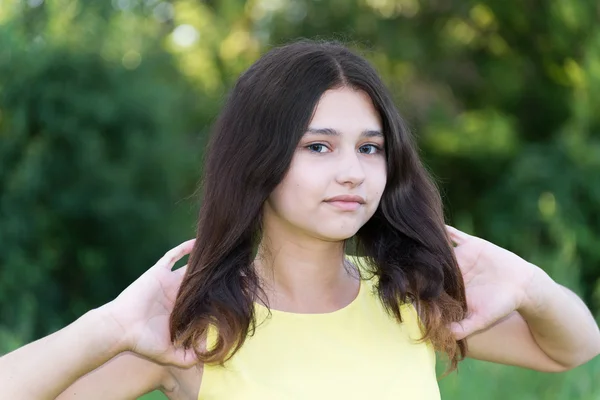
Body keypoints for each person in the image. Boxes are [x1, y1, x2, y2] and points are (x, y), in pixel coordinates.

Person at [1, 39, 599, 400]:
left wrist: (531, 287)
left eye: (370, 148)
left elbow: (573, 349)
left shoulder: (408, 297)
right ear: (257, 157)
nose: (352, 172)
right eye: (319, 146)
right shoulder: (190, 326)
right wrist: (108, 327)